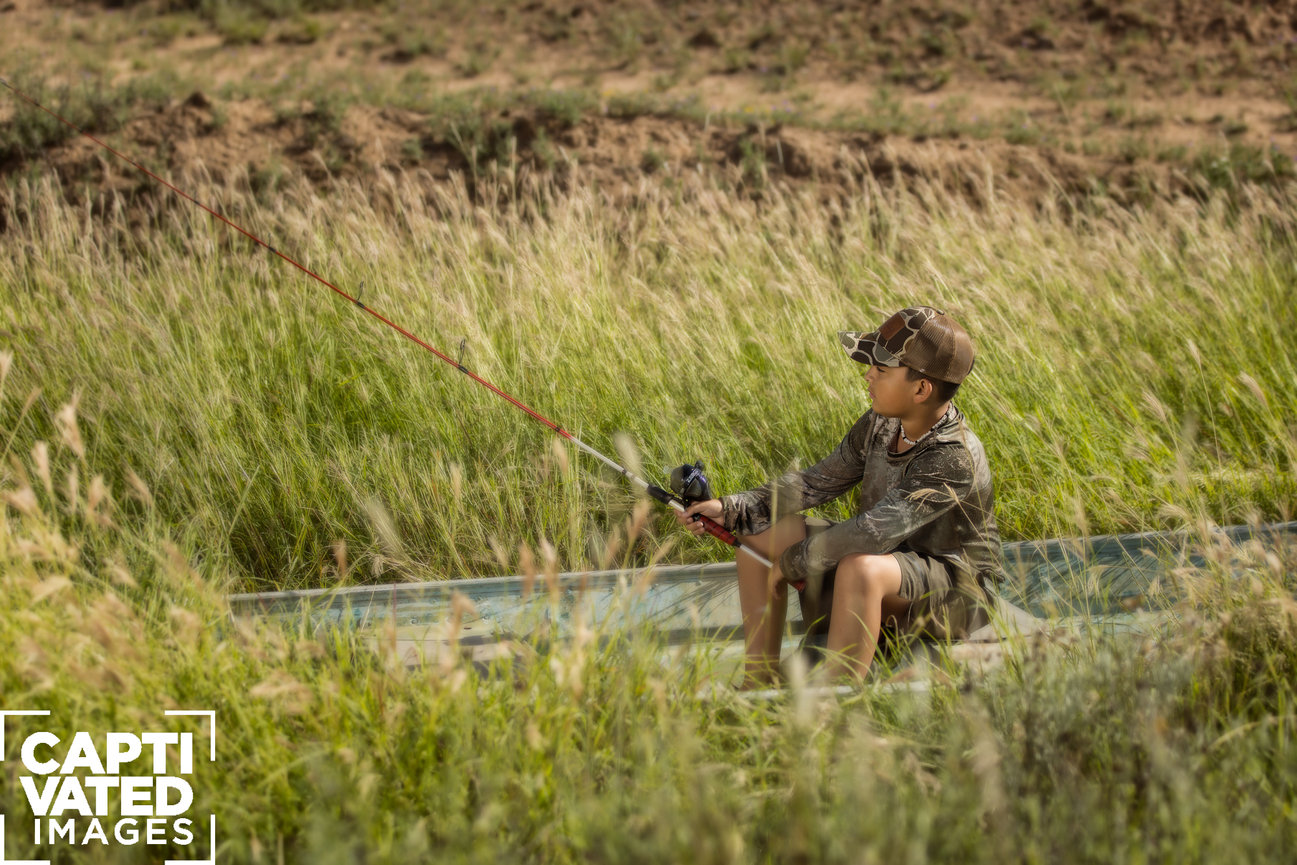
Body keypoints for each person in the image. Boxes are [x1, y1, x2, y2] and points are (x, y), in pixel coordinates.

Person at [677, 306, 1002, 686]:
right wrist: (731, 509)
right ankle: (758, 683)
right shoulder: (882, 422)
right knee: (760, 535)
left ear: (921, 389)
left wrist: (792, 563)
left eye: (881, 370)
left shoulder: (954, 456)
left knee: (861, 568)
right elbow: (818, 481)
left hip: (957, 593)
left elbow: (872, 533)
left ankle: (835, 700)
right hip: (890, 560)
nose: (868, 375)